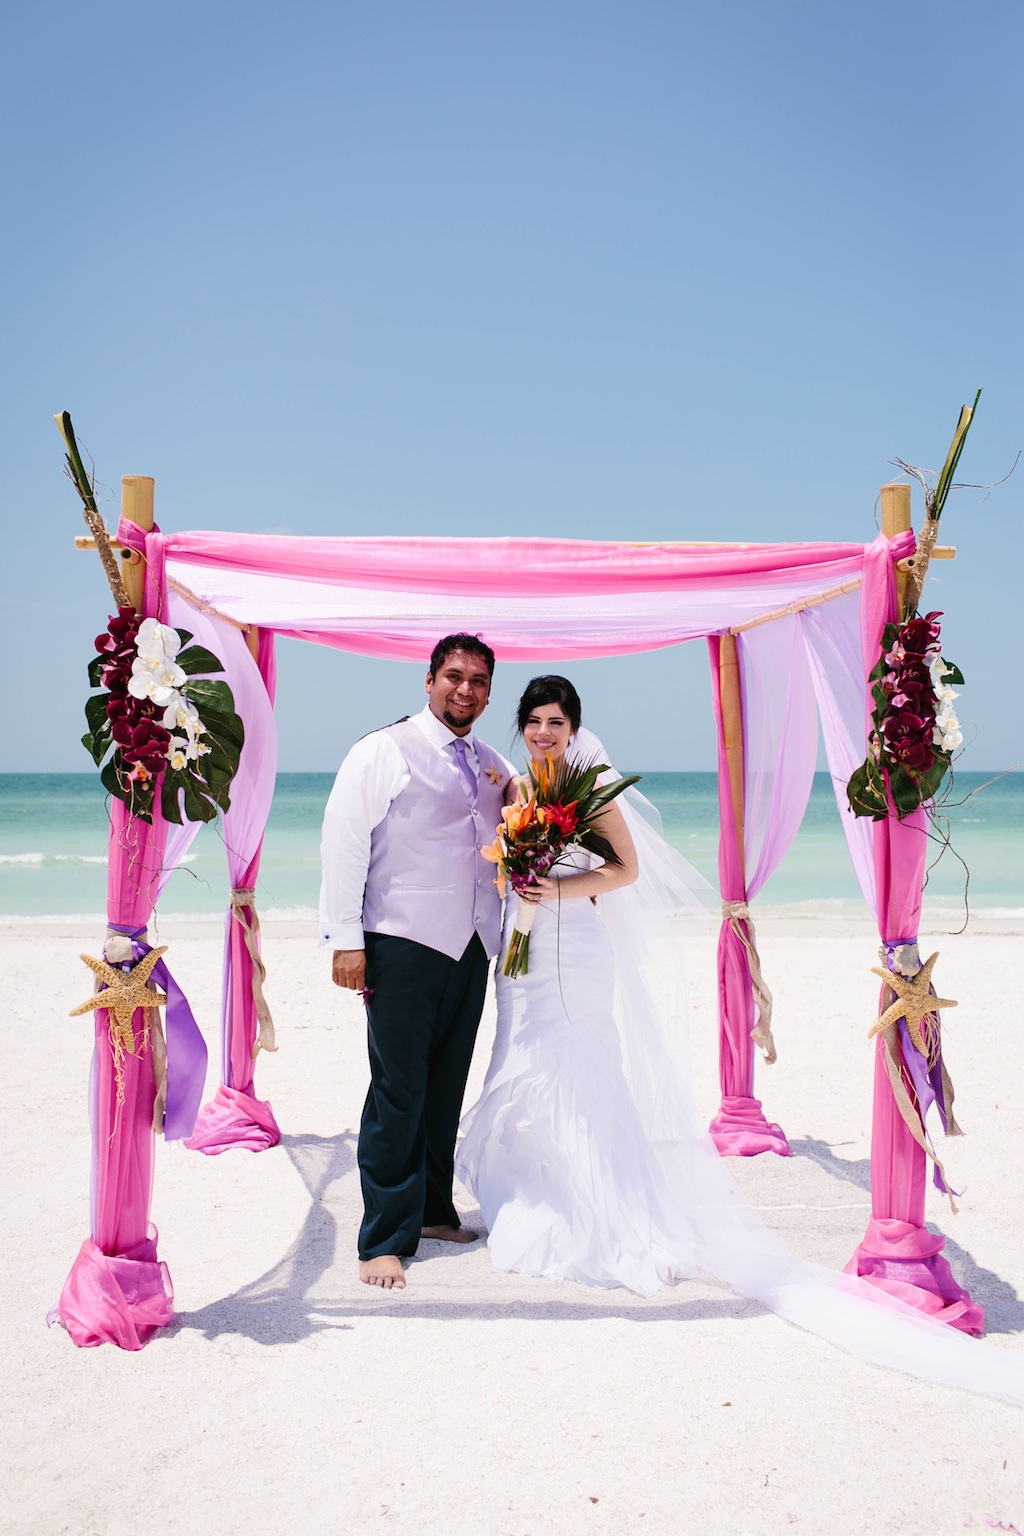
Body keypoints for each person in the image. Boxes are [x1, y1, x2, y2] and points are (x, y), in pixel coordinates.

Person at [456, 676, 1024, 1403]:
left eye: (556, 720)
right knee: (519, 1062)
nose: (543, 731)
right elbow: (502, 864)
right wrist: (514, 873)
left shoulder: (592, 791)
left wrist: (555, 888)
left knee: (576, 1065)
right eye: (533, 720)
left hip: (578, 954)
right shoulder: (516, 794)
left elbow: (623, 870)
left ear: (575, 727)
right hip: (523, 957)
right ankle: (532, 1183)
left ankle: (591, 1204)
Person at [320, 634, 511, 1289]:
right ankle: (383, 1239)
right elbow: (344, 844)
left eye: (479, 681)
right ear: (428, 680)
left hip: (471, 946)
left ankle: (432, 1211)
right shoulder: (382, 750)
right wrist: (346, 938)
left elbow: (514, 841)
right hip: (400, 943)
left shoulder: (493, 764)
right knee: (398, 1091)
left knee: (444, 1089)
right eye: (454, 676)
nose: (466, 689)